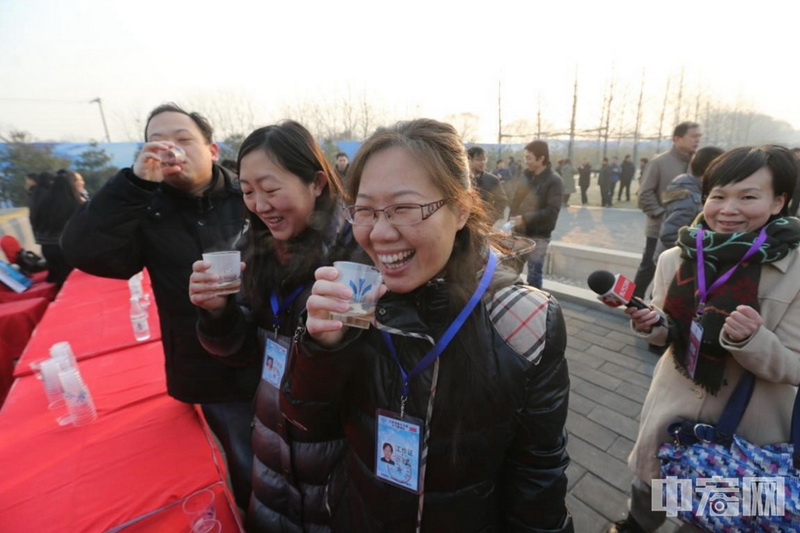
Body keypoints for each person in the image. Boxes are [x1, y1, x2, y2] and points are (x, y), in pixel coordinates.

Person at [283, 119, 573, 532]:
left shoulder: (522, 320)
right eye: (365, 210)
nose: (380, 233)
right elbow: (308, 426)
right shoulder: (352, 299)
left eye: (403, 208)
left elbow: (538, 477)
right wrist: (319, 351)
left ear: (461, 208)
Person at [60, 103, 259, 512]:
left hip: (270, 357)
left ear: (213, 150)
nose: (170, 149)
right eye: (157, 142)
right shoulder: (147, 208)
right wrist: (134, 184)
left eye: (183, 139)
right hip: (204, 369)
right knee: (242, 469)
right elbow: (84, 250)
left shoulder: (248, 196)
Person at [608, 145, 800, 533]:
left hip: (744, 436)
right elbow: (668, 331)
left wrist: (753, 340)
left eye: (748, 197)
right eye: (718, 196)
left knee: (711, 520)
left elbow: (795, 365)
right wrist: (651, 324)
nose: (728, 209)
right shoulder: (677, 257)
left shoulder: (795, 269)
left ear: (778, 201)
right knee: (650, 493)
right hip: (672, 409)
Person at [188, 120, 361, 532]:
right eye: (247, 191)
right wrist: (217, 314)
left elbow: (369, 371)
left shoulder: (355, 253)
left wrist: (326, 347)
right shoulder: (253, 247)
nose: (259, 205)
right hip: (271, 437)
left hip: (337, 446)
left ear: (316, 183)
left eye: (270, 188)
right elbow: (244, 353)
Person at [633, 122, 702, 299]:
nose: (697, 140)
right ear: (677, 138)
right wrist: (662, 215)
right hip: (659, 229)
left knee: (674, 273)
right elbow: (644, 194)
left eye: (699, 136)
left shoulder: (698, 163)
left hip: (688, 231)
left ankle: (659, 305)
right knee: (649, 267)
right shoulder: (659, 163)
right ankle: (634, 301)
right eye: (693, 136)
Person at [509, 140, 564, 289]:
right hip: (519, 233)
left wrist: (524, 218)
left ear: (541, 158)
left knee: (534, 274)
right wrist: (512, 219)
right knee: (511, 271)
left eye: (529, 158)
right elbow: (516, 200)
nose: (526, 161)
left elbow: (552, 211)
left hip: (539, 236)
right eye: (525, 157)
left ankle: (535, 301)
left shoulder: (554, 181)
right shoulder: (526, 176)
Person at [654, 146, 724, 258]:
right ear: (710, 169)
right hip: (678, 262)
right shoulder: (690, 197)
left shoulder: (689, 187)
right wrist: (699, 254)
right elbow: (670, 235)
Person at [31, 170, 85, 285]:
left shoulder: (43, 202)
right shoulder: (74, 203)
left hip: (48, 250)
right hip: (67, 251)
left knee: (61, 281)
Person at [467, 146, 508, 222]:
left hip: (483, 224)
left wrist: (489, 217)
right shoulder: (460, 179)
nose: (482, 162)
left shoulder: (492, 180)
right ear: (469, 160)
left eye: (484, 160)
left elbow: (502, 201)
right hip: (463, 224)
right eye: (478, 160)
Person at [788, 147, 800, 216]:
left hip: (798, 187)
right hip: (790, 185)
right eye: (796, 153)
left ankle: (792, 215)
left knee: (795, 202)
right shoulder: (789, 163)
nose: (798, 155)